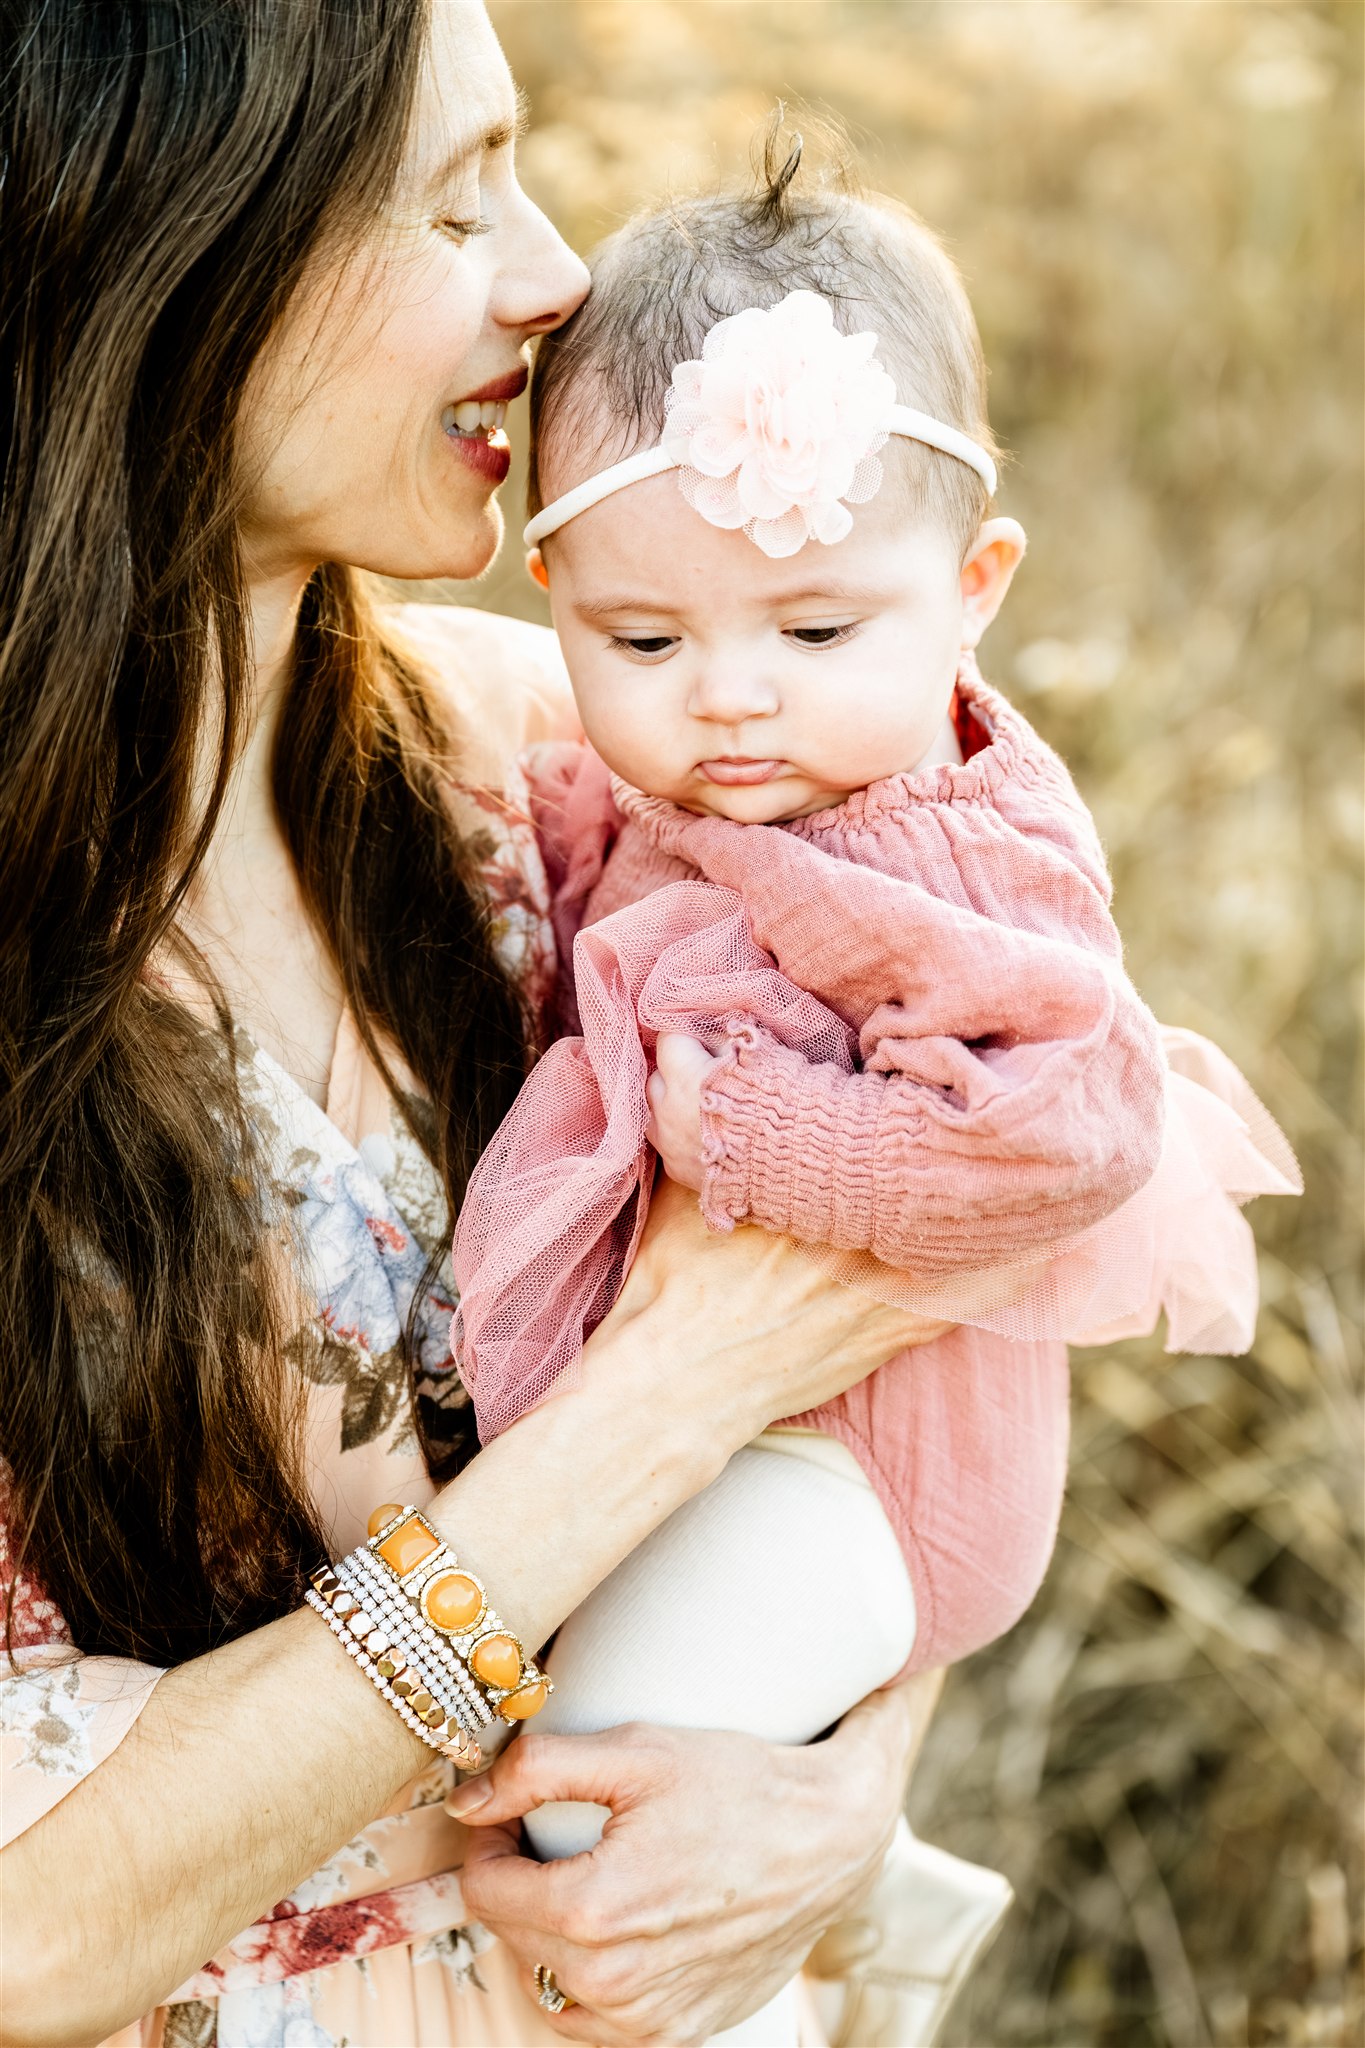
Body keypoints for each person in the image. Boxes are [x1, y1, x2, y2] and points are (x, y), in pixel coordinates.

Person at [0, 8, 956, 2045]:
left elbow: (913, 1354)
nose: (550, 274)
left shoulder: (554, 764)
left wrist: (839, 1799)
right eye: (451, 205)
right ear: (156, 257)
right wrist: (651, 1409)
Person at [447, 160, 1301, 1950]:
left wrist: (756, 1129)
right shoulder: (699, 782)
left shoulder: (940, 849)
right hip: (745, 1442)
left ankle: (818, 1962)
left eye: (816, 630)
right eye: (644, 637)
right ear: (560, 596)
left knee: (588, 1827)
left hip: (851, 1472)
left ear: (974, 583)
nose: (731, 695)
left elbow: (1075, 1126)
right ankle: (857, 1914)